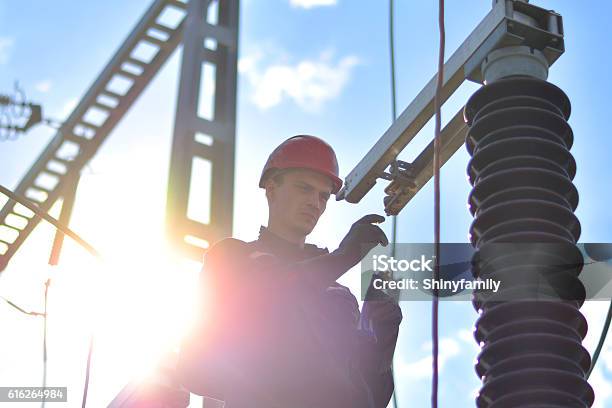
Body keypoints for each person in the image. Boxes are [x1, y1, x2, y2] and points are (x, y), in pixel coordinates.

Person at [177, 135, 403, 407]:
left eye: (323, 196)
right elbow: (272, 295)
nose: (315, 203)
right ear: (271, 189)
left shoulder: (337, 295)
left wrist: (380, 330)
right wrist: (341, 258)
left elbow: (368, 395)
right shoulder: (232, 257)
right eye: (304, 188)